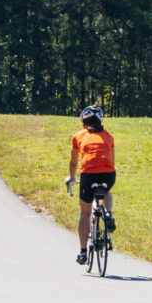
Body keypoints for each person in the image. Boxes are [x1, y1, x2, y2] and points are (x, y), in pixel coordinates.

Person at [66, 105, 116, 265]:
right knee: (106, 191)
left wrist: (72, 178)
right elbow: (112, 160)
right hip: (108, 174)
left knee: (85, 213)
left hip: (88, 174)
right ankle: (108, 213)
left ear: (83, 122)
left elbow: (74, 162)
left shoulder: (78, 136)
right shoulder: (108, 136)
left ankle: (82, 251)